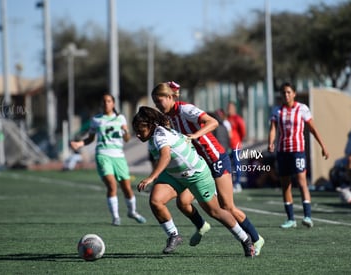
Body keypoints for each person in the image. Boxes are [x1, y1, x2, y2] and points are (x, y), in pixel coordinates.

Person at [151, 81, 265, 256]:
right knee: (182, 202)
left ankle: (256, 239)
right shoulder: (169, 117)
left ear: (169, 97)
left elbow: (212, 122)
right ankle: (201, 225)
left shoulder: (185, 110)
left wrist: (195, 135)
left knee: (227, 207)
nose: (158, 105)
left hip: (215, 159)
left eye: (160, 101)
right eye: (155, 102)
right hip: (197, 165)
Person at [132, 106, 255, 257]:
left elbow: (166, 156)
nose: (137, 134)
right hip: (174, 175)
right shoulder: (152, 137)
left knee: (215, 212)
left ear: (150, 126)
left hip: (196, 174)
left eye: (140, 130)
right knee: (156, 201)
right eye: (136, 131)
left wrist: (152, 177)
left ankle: (245, 239)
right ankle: (174, 235)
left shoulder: (159, 135)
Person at [70, 93, 146, 226]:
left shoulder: (120, 118)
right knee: (112, 185)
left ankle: (132, 212)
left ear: (113, 103)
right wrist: (79, 144)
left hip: (119, 156)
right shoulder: (96, 120)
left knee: (127, 188)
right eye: (104, 101)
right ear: (101, 104)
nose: (106, 103)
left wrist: (126, 132)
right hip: (103, 155)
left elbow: (127, 139)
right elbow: (90, 139)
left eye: (109, 101)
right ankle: (116, 217)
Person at [268, 82, 329, 229]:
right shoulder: (277, 111)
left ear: (294, 93)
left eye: (289, 92)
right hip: (283, 152)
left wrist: (323, 146)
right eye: (283, 93)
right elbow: (273, 129)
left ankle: (307, 216)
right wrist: (271, 143)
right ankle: (291, 219)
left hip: (297, 151)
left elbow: (313, 129)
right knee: (286, 185)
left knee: (302, 182)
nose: (286, 95)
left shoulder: (302, 109)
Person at [227, 101, 247, 193]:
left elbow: (242, 131)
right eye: (228, 107)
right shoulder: (226, 119)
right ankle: (228, 184)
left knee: (237, 164)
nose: (229, 109)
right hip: (227, 146)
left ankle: (237, 183)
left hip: (235, 145)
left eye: (231, 108)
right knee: (227, 165)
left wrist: (239, 140)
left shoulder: (237, 118)